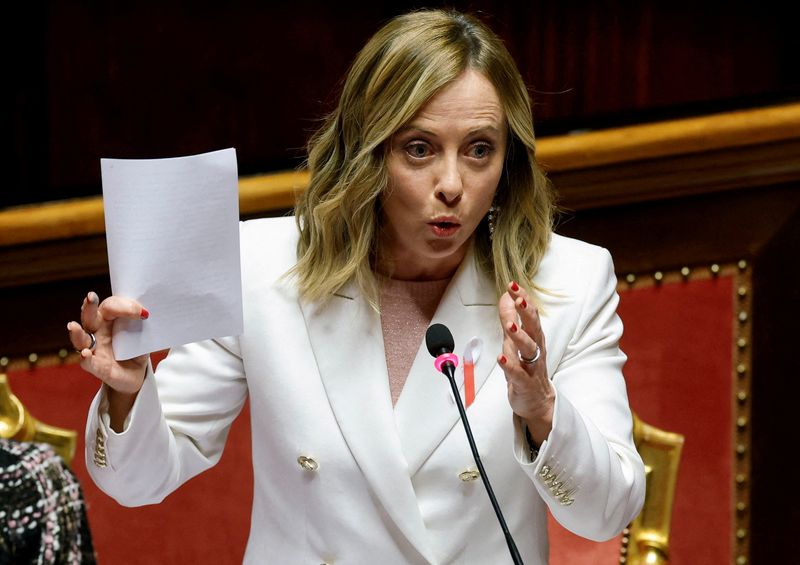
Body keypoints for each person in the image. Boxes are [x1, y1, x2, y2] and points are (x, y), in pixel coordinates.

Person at [68, 8, 645, 564]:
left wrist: (542, 409)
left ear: (508, 160)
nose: (452, 184)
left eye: (479, 150)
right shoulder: (260, 268)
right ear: (366, 155)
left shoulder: (568, 281)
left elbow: (606, 514)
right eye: (418, 149)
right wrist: (127, 392)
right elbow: (140, 483)